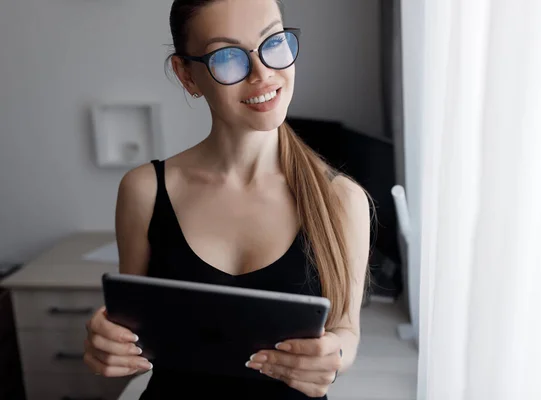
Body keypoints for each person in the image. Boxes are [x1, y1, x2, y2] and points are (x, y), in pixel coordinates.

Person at [83, 0, 372, 398]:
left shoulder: (342, 200)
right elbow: (132, 328)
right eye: (227, 56)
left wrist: (334, 354)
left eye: (273, 42)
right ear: (187, 75)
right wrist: (106, 339)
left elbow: (347, 330)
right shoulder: (145, 190)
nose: (263, 73)